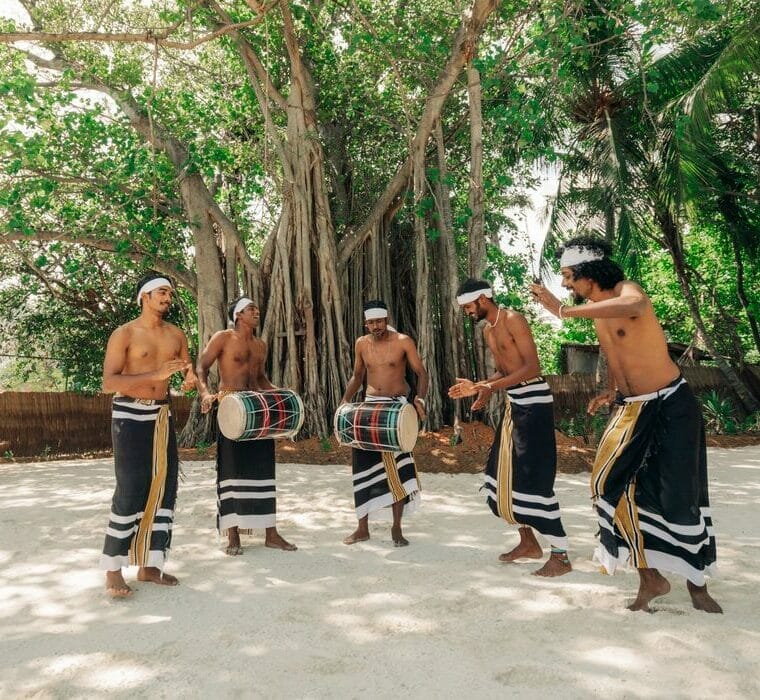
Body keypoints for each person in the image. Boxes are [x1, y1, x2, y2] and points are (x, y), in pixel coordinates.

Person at [531, 235, 721, 612]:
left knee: (678, 495)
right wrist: (612, 390)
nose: (565, 285)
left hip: (671, 405)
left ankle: (698, 586)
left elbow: (635, 304)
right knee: (610, 486)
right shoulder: (599, 311)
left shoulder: (625, 291)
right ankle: (651, 577)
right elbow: (617, 355)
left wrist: (564, 312)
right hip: (633, 408)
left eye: (569, 276)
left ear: (590, 273)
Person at [449, 279, 571, 577]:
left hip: (535, 404)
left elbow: (531, 369)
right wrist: (485, 390)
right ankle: (528, 543)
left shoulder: (513, 319)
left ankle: (561, 555)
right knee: (498, 478)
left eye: (468, 306)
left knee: (533, 480)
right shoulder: (489, 330)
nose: (466, 312)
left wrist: (485, 385)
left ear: (482, 299)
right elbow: (505, 372)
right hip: (515, 406)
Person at [100, 273, 197, 598]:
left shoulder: (176, 334)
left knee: (164, 488)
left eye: (170, 292)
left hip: (161, 415)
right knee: (130, 487)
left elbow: (188, 371)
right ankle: (113, 570)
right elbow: (109, 382)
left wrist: (191, 381)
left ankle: (151, 565)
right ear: (144, 296)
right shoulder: (124, 333)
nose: (168, 297)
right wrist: (155, 374)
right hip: (129, 414)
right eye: (161, 292)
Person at [197, 297, 297, 555]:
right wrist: (205, 394)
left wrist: (281, 395)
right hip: (230, 406)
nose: (256, 311)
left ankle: (271, 534)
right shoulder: (223, 337)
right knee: (232, 468)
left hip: (257, 408)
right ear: (238, 314)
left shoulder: (260, 344)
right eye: (251, 309)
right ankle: (233, 535)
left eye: (256, 308)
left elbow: (261, 378)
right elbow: (202, 367)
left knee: (264, 468)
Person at [340, 300, 428, 547]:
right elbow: (358, 376)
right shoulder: (361, 343)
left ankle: (397, 528)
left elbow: (421, 372)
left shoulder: (403, 341)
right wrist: (345, 401)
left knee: (396, 470)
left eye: (379, 321)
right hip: (368, 407)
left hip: (395, 409)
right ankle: (362, 528)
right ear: (365, 323)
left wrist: (419, 398)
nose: (375, 326)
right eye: (371, 322)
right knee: (363, 466)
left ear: (386, 319)